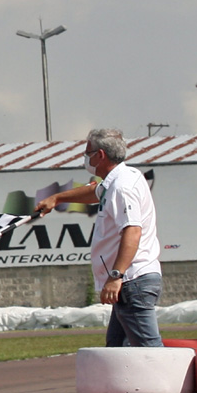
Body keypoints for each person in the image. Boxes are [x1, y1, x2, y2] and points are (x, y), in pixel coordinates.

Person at [35, 128, 163, 348]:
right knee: (116, 348)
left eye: (88, 152)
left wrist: (116, 276)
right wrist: (56, 198)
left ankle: (179, 383)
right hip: (131, 280)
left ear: (101, 155)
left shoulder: (122, 187)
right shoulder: (120, 179)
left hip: (131, 280)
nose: (85, 158)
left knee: (149, 349)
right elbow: (93, 192)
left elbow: (132, 230)